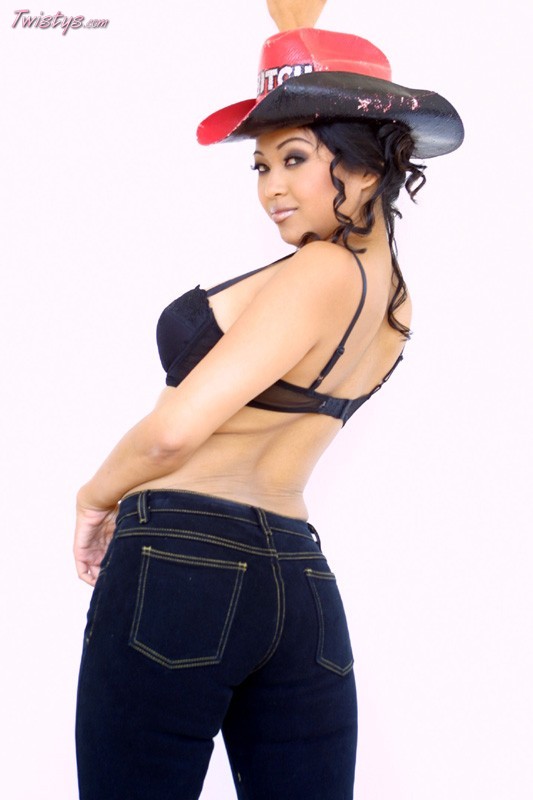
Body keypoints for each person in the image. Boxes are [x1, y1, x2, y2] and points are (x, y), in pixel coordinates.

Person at [74, 1, 463, 798]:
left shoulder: (317, 270)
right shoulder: (395, 301)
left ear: (366, 167)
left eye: (293, 159)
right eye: (260, 167)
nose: (272, 189)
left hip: (180, 561)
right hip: (299, 583)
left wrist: (93, 498)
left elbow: (175, 432)